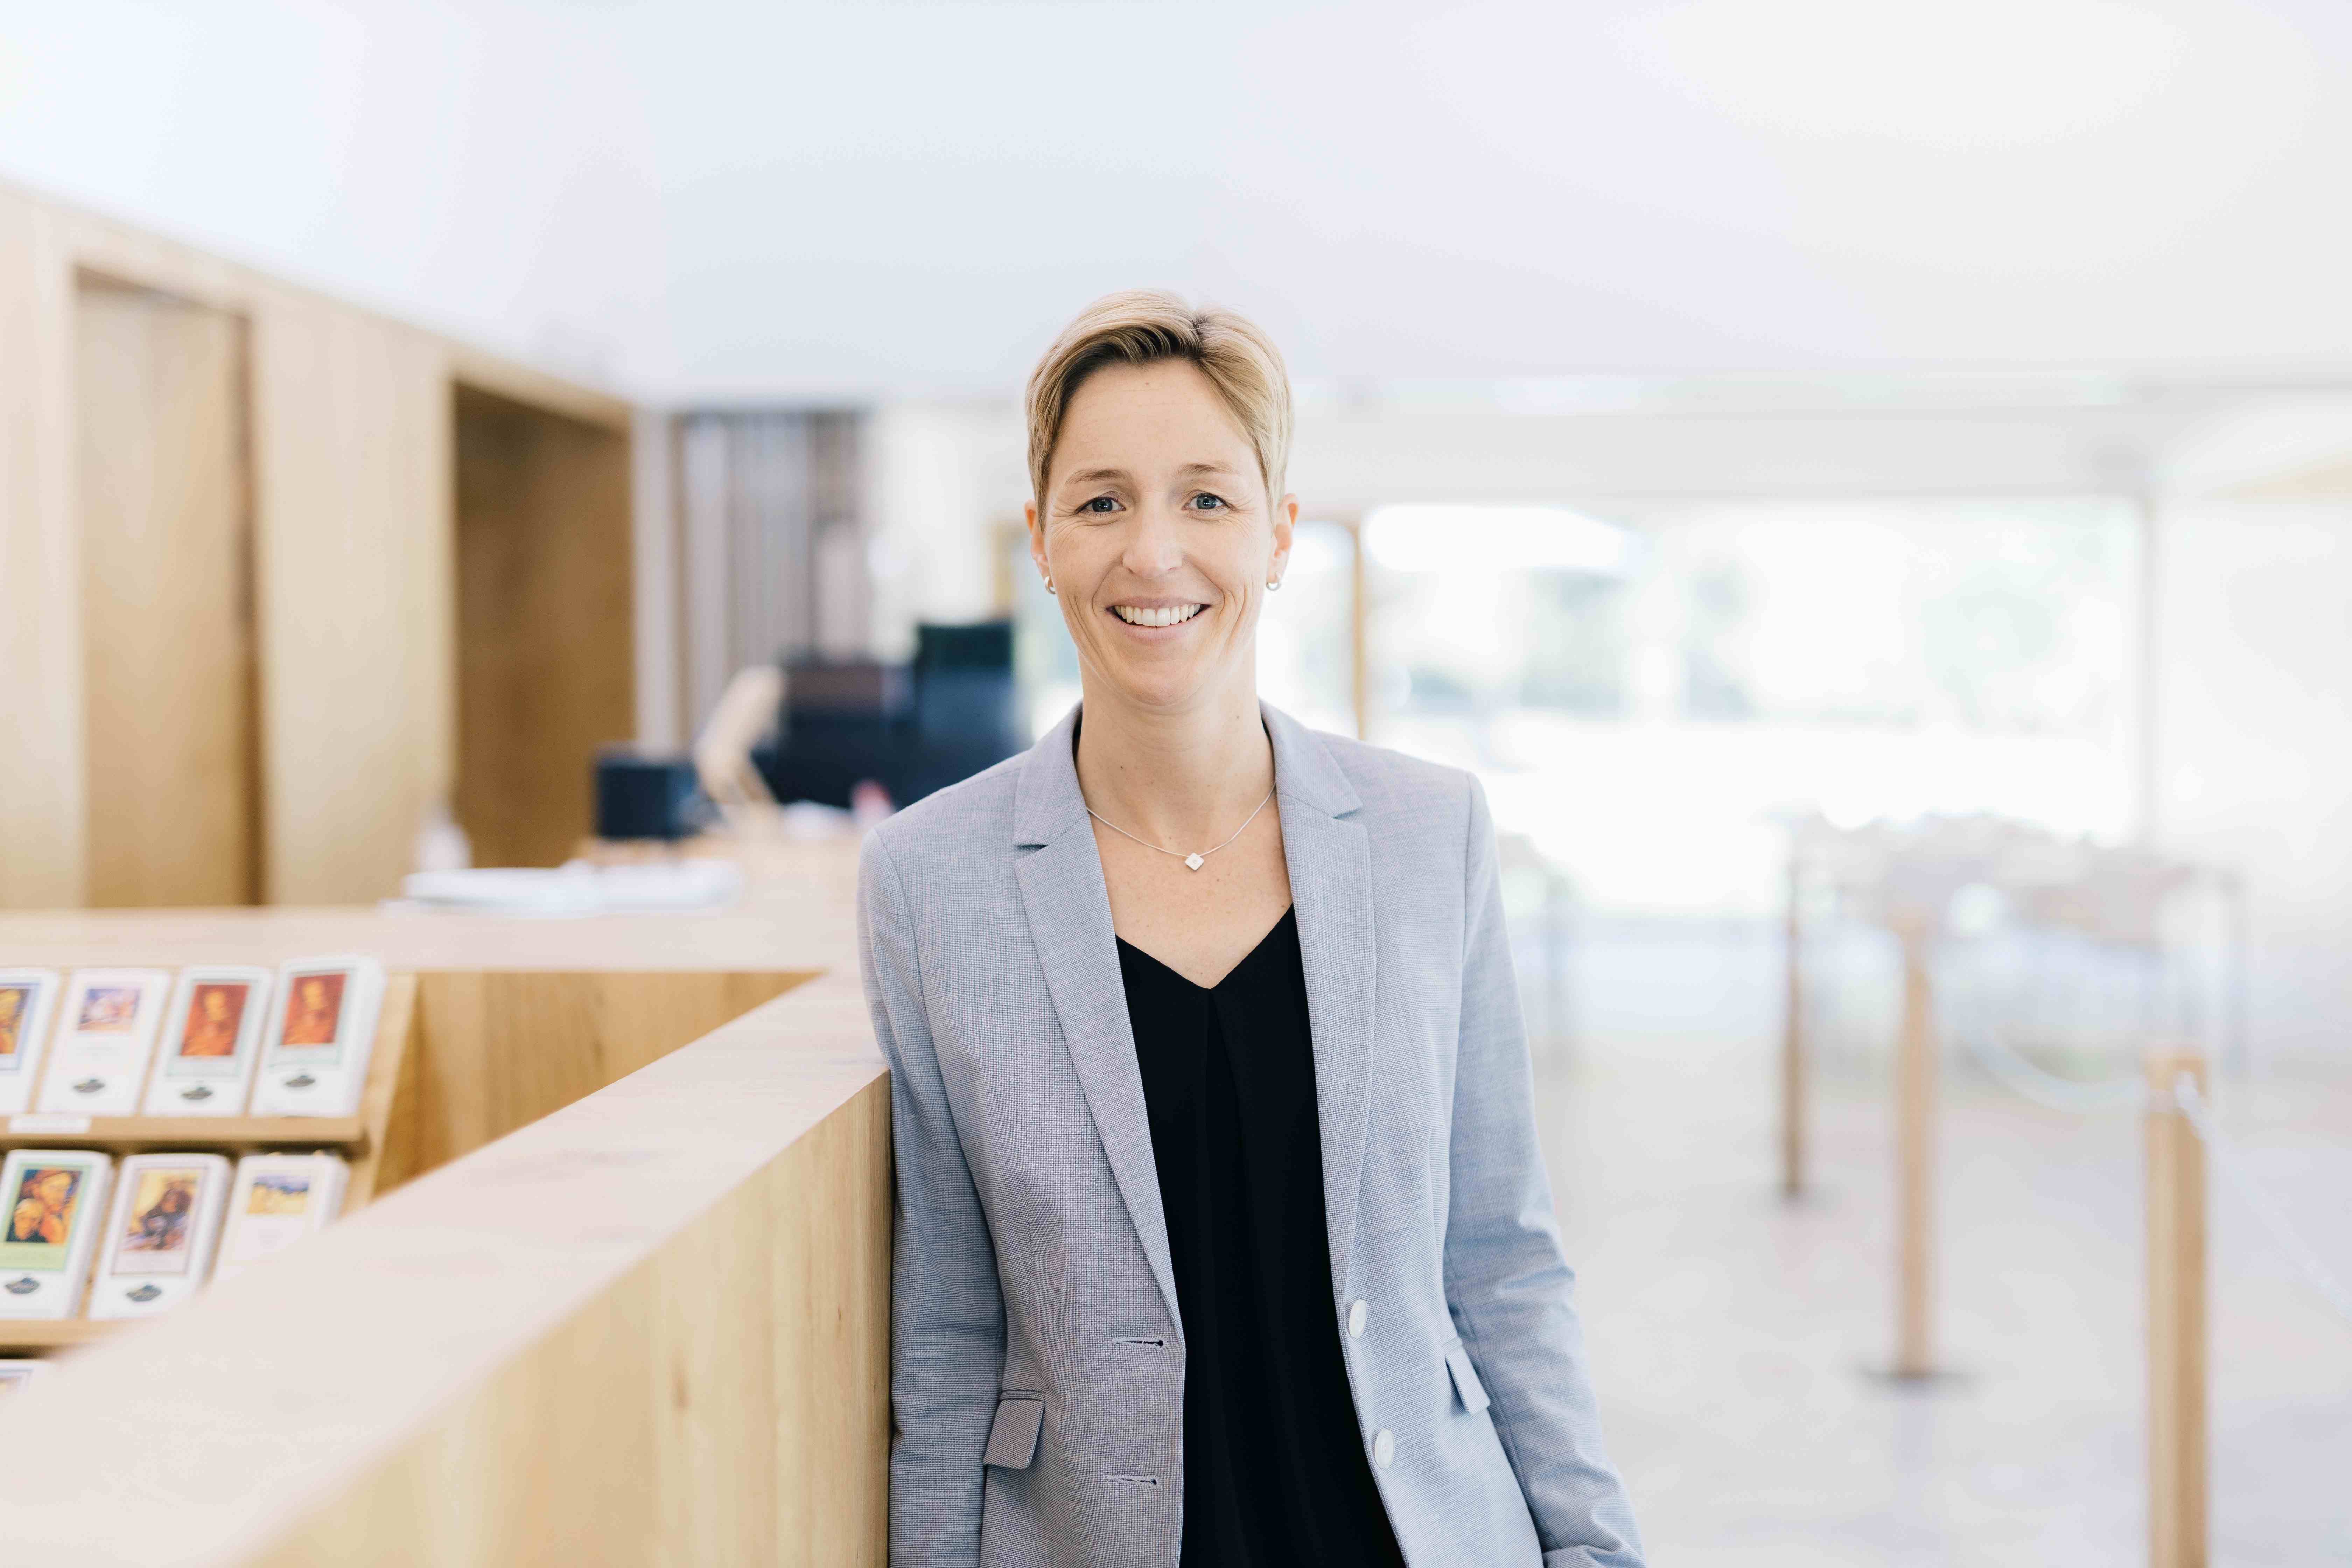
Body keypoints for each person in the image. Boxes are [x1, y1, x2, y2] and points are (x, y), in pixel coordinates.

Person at [857, 291, 1644, 1567]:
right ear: (1041, 538)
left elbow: (1500, 1261)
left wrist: (1597, 1549)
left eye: (1207, 499)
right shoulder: (928, 879)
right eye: (1102, 500)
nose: (1153, 553)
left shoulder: (1427, 835)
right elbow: (946, 1329)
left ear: (1279, 536)